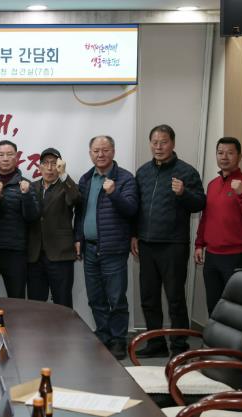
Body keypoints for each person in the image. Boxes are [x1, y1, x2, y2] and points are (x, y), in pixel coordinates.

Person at [132, 124, 206, 358]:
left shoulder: (187, 172)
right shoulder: (143, 172)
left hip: (173, 244)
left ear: (172, 143)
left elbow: (200, 203)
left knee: (175, 298)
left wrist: (183, 193)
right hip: (146, 243)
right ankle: (156, 344)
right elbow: (137, 208)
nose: (159, 147)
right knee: (149, 298)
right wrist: (134, 234)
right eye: (154, 142)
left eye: (163, 142)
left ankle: (179, 347)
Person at [75, 136, 138, 360]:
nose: (100, 154)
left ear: (113, 151)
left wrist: (113, 193)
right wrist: (78, 237)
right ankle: (103, 335)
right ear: (90, 153)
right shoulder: (85, 179)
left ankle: (118, 339)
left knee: (116, 298)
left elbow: (131, 209)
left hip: (113, 249)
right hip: (90, 249)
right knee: (95, 297)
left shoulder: (125, 179)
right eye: (96, 150)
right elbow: (80, 213)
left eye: (105, 150)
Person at [195, 137, 242, 314]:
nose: (224, 157)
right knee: (213, 306)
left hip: (236, 256)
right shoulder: (212, 185)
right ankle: (214, 334)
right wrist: (199, 244)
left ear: (239, 156)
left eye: (230, 153)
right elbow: (206, 217)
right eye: (220, 153)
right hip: (212, 256)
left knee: (236, 307)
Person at [27, 148, 81, 307]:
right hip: (35, 255)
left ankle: (64, 326)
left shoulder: (67, 186)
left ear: (60, 166)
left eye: (54, 164)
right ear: (40, 167)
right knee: (36, 303)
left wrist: (64, 175)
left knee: (62, 302)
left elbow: (76, 199)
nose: (50, 168)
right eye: (46, 163)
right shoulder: (31, 187)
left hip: (60, 254)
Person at [0, 140, 39, 298]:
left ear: (16, 158)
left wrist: (26, 195)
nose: (5, 158)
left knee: (17, 298)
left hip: (15, 251)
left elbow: (32, 217)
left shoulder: (25, 184)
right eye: (1, 154)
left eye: (9, 154)